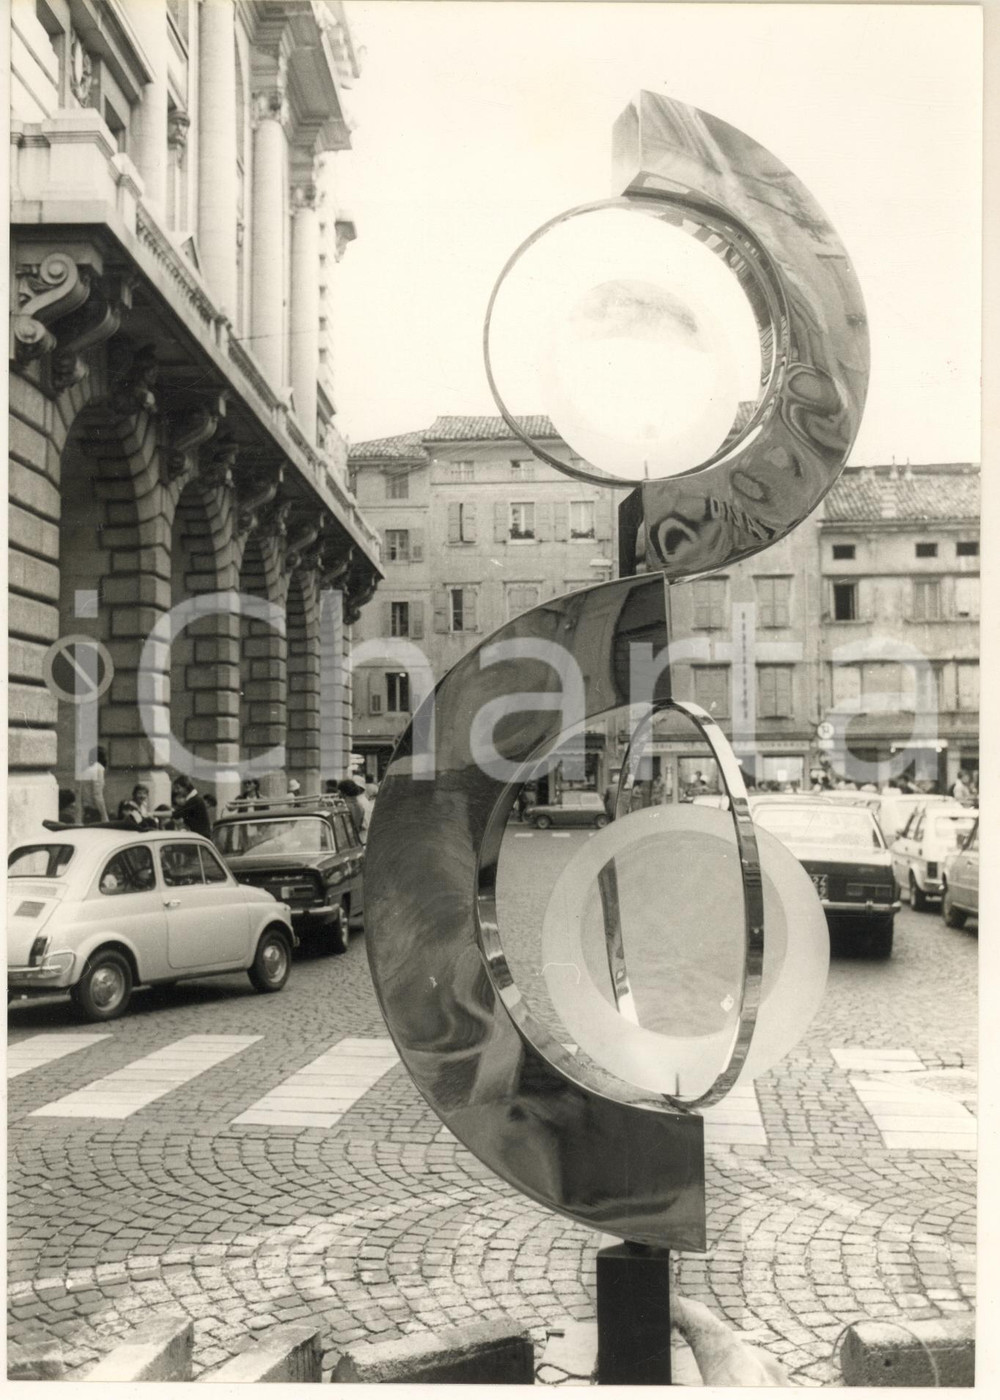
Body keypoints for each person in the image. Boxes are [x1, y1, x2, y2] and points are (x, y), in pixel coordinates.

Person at [79, 746, 109, 822]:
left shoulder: (87, 770)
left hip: (87, 811)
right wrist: (104, 816)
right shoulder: (99, 769)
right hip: (95, 812)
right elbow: (97, 795)